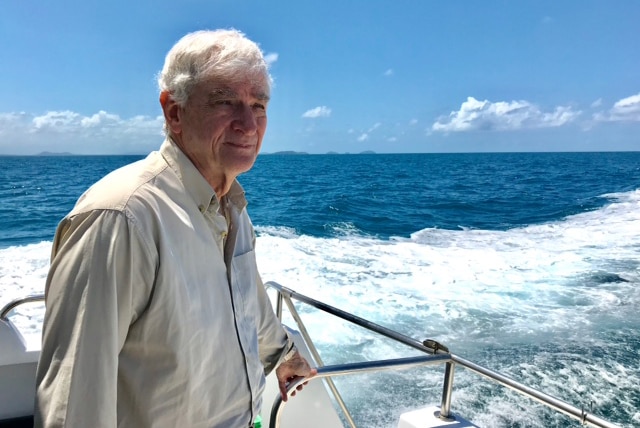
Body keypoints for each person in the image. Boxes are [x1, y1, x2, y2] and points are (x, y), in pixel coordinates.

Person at [34, 29, 316, 428]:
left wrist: (283, 354)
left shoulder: (230, 206)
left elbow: (247, 297)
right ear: (174, 112)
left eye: (259, 105)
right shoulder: (121, 217)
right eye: (225, 102)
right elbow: (73, 401)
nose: (249, 124)